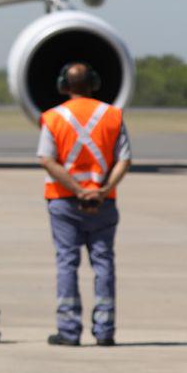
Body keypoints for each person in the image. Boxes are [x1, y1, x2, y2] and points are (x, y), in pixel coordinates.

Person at [37, 62, 130, 347]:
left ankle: (68, 330)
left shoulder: (53, 118)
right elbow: (124, 159)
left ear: (64, 85)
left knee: (67, 263)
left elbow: (46, 159)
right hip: (103, 204)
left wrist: (77, 189)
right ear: (94, 83)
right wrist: (102, 191)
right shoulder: (112, 115)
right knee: (104, 264)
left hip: (65, 202)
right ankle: (105, 330)